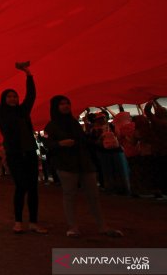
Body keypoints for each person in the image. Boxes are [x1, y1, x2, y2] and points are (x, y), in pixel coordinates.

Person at [0, 60, 47, 234]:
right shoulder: (1, 112)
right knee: (21, 187)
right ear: (5, 99)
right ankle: (18, 221)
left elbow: (31, 95)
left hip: (30, 153)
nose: (13, 98)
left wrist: (28, 74)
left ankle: (33, 222)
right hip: (15, 154)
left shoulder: (24, 111)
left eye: (15, 96)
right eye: (9, 96)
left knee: (33, 188)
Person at [44, 95, 123, 237]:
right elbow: (47, 144)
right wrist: (60, 144)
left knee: (93, 195)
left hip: (84, 162)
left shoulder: (74, 122)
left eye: (67, 103)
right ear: (55, 107)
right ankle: (73, 227)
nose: (65, 106)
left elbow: (83, 140)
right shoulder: (51, 126)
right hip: (66, 163)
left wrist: (97, 143)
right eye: (61, 104)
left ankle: (102, 226)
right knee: (70, 195)